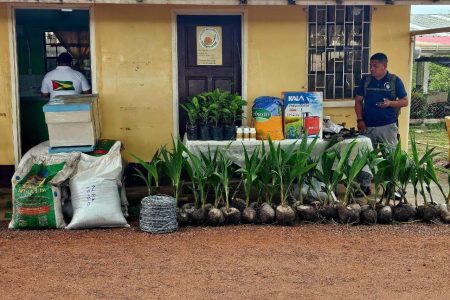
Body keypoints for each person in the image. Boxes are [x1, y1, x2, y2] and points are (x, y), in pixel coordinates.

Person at [354, 52, 409, 196]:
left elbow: (405, 101)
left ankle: (390, 188)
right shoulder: (365, 81)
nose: (372, 69)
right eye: (371, 66)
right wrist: (360, 120)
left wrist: (390, 103)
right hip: (367, 126)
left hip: (388, 127)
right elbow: (358, 101)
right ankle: (364, 186)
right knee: (365, 157)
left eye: (375, 66)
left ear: (384, 66)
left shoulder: (394, 81)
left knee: (389, 157)